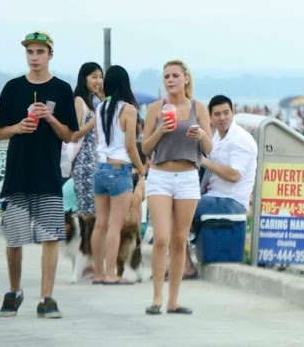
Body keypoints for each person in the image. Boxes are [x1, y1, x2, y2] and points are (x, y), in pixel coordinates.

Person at [0, 31, 78, 318]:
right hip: (18, 173)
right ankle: (14, 290)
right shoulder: (13, 88)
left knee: (50, 237)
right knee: (14, 239)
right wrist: (19, 127)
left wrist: (50, 117)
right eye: (30, 52)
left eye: (40, 52)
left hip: (48, 175)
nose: (34, 57)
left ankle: (47, 297)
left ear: (50, 55)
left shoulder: (62, 89)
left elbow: (69, 135)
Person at [141, 59, 212, 315]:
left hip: (187, 176)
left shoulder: (198, 108)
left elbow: (209, 148)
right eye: (166, 77)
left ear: (186, 78)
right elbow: (145, 148)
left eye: (174, 76)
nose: (170, 80)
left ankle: (173, 300)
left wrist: (201, 135)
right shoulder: (155, 108)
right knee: (161, 238)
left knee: (180, 240)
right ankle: (156, 298)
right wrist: (160, 130)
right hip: (160, 175)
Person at [184, 95, 258, 277]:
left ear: (233, 112)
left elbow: (234, 175)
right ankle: (182, 263)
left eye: (226, 113)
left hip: (230, 202)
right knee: (175, 204)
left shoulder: (240, 139)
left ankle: (186, 266)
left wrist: (204, 161)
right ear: (210, 117)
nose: (222, 118)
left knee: (179, 209)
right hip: (214, 198)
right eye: (217, 114)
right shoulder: (216, 138)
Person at [91, 65, 142, 285]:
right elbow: (130, 146)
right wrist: (141, 168)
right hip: (119, 169)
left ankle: (98, 272)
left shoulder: (100, 107)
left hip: (100, 168)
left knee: (100, 224)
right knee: (115, 225)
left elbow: (98, 140)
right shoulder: (128, 109)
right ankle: (111, 274)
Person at [68, 61, 103, 271]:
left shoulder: (95, 101)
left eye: (100, 76)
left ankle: (91, 260)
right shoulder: (79, 101)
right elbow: (73, 134)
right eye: (94, 77)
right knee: (87, 214)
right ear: (84, 79)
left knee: (95, 213)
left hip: (95, 160)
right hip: (84, 162)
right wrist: (94, 120)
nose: (98, 81)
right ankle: (86, 261)